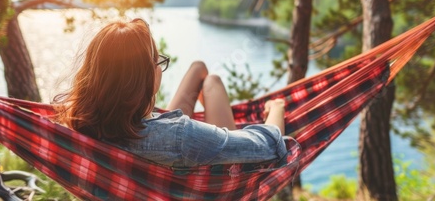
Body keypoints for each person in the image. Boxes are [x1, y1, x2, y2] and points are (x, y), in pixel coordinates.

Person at [53, 18, 287, 167]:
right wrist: (277, 107)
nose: (161, 68)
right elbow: (268, 144)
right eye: (158, 62)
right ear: (144, 78)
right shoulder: (183, 136)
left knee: (199, 69)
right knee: (213, 80)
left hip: (155, 137)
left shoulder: (82, 122)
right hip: (204, 169)